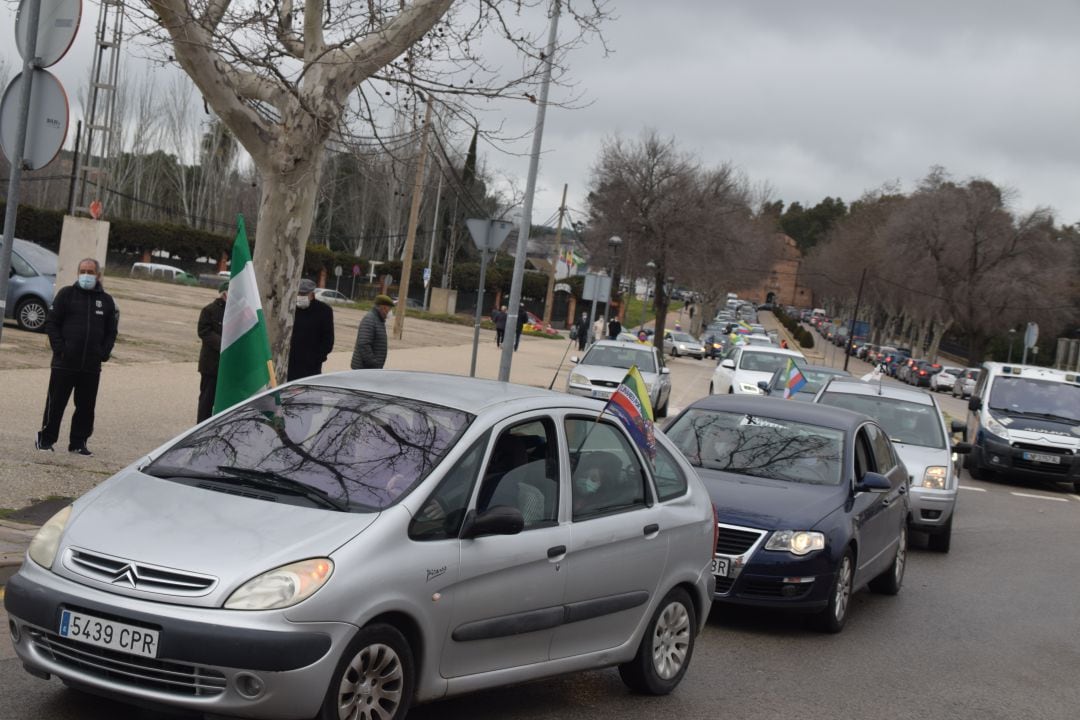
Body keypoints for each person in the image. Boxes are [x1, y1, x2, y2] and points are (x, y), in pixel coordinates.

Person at [36, 258, 118, 456]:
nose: (86, 275)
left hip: (90, 366)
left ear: (97, 275)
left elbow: (111, 331)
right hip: (64, 363)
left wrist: (103, 353)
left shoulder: (106, 301)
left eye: (90, 272)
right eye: (83, 271)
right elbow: (51, 323)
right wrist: (60, 349)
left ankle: (78, 443)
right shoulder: (66, 295)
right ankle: (46, 440)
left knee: (86, 407)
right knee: (55, 404)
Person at [289, 279, 335, 380]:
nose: (301, 296)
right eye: (299, 293)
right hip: (289, 365)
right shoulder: (290, 308)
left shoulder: (324, 311)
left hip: (311, 368)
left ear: (312, 294)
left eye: (305, 294)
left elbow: (328, 340)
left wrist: (317, 359)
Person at [196, 281, 228, 423]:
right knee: (207, 400)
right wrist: (224, 345)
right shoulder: (209, 310)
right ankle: (201, 427)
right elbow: (204, 332)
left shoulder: (240, 311)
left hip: (230, 366)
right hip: (211, 364)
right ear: (224, 294)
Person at [351, 294, 394, 369]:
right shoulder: (370, 319)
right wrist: (374, 364)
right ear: (383, 307)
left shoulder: (379, 320)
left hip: (370, 368)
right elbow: (363, 344)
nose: (390, 312)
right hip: (364, 369)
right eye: (389, 309)